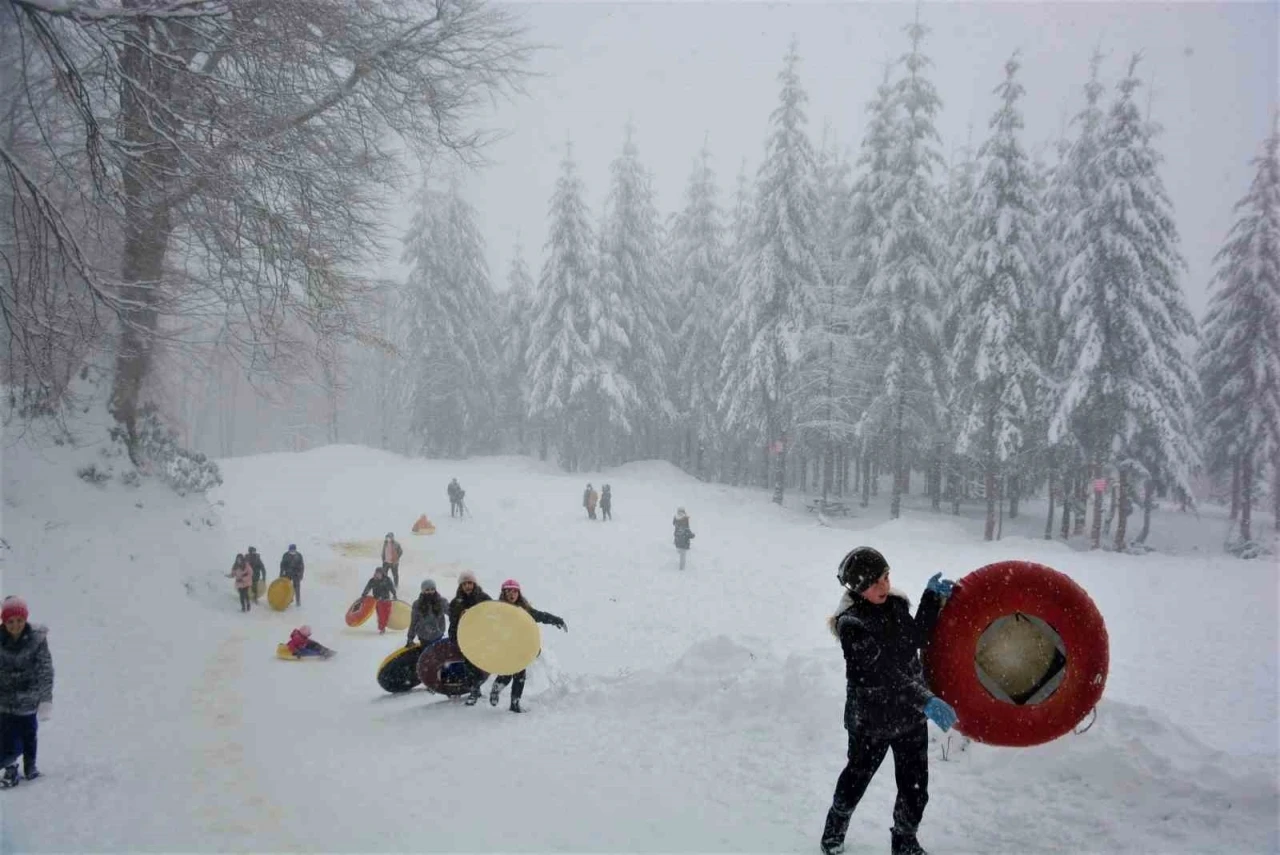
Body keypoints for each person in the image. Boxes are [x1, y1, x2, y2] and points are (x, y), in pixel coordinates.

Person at [820, 547, 959, 855]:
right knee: (856, 779)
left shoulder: (894, 605)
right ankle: (834, 831)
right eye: (874, 583)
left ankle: (904, 840)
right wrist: (926, 699)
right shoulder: (851, 625)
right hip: (871, 721)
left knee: (915, 787)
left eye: (885, 577)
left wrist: (931, 598)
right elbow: (883, 673)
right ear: (857, 588)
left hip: (909, 716)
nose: (884, 586)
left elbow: (914, 639)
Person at [488, 579, 567, 714]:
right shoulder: (498, 610)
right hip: (505, 647)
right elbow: (486, 622)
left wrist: (556, 620)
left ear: (518, 593)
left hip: (520, 647)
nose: (512, 594)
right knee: (507, 673)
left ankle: (514, 703)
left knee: (519, 676)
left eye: (515, 591)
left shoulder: (524, 610)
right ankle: (496, 689)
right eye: (509, 591)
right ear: (504, 593)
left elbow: (541, 616)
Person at [0, 597, 53, 788]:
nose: (15, 625)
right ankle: (11, 768)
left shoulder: (36, 640)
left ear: (25, 619)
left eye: (19, 620)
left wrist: (46, 700)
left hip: (29, 698)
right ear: (4, 622)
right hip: (4, 700)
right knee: (8, 737)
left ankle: (31, 767)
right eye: (10, 621)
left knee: (29, 733)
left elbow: (45, 669)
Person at [448, 570, 492, 705]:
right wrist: (453, 637)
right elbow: (453, 622)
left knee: (480, 664)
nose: (468, 586)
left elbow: (493, 615)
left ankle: (476, 688)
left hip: (481, 636)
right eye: (465, 583)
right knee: (469, 665)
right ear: (460, 585)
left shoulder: (483, 598)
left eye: (470, 583)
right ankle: (474, 690)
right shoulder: (455, 602)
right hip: (465, 638)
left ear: (474, 584)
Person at [406, 579, 448, 647]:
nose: (430, 592)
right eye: (427, 590)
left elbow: (452, 613)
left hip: (438, 634)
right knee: (427, 654)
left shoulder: (441, 601)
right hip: (423, 636)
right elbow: (414, 622)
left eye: (432, 589)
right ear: (423, 591)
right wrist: (410, 638)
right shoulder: (417, 604)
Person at [360, 566, 398, 634]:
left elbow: (392, 588)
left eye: (379, 573)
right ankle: (382, 628)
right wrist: (363, 595)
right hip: (378, 601)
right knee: (381, 615)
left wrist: (394, 595)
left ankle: (383, 626)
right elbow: (367, 588)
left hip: (386, 600)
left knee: (386, 615)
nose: (378, 574)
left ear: (382, 573)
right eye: (376, 573)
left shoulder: (387, 580)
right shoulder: (372, 580)